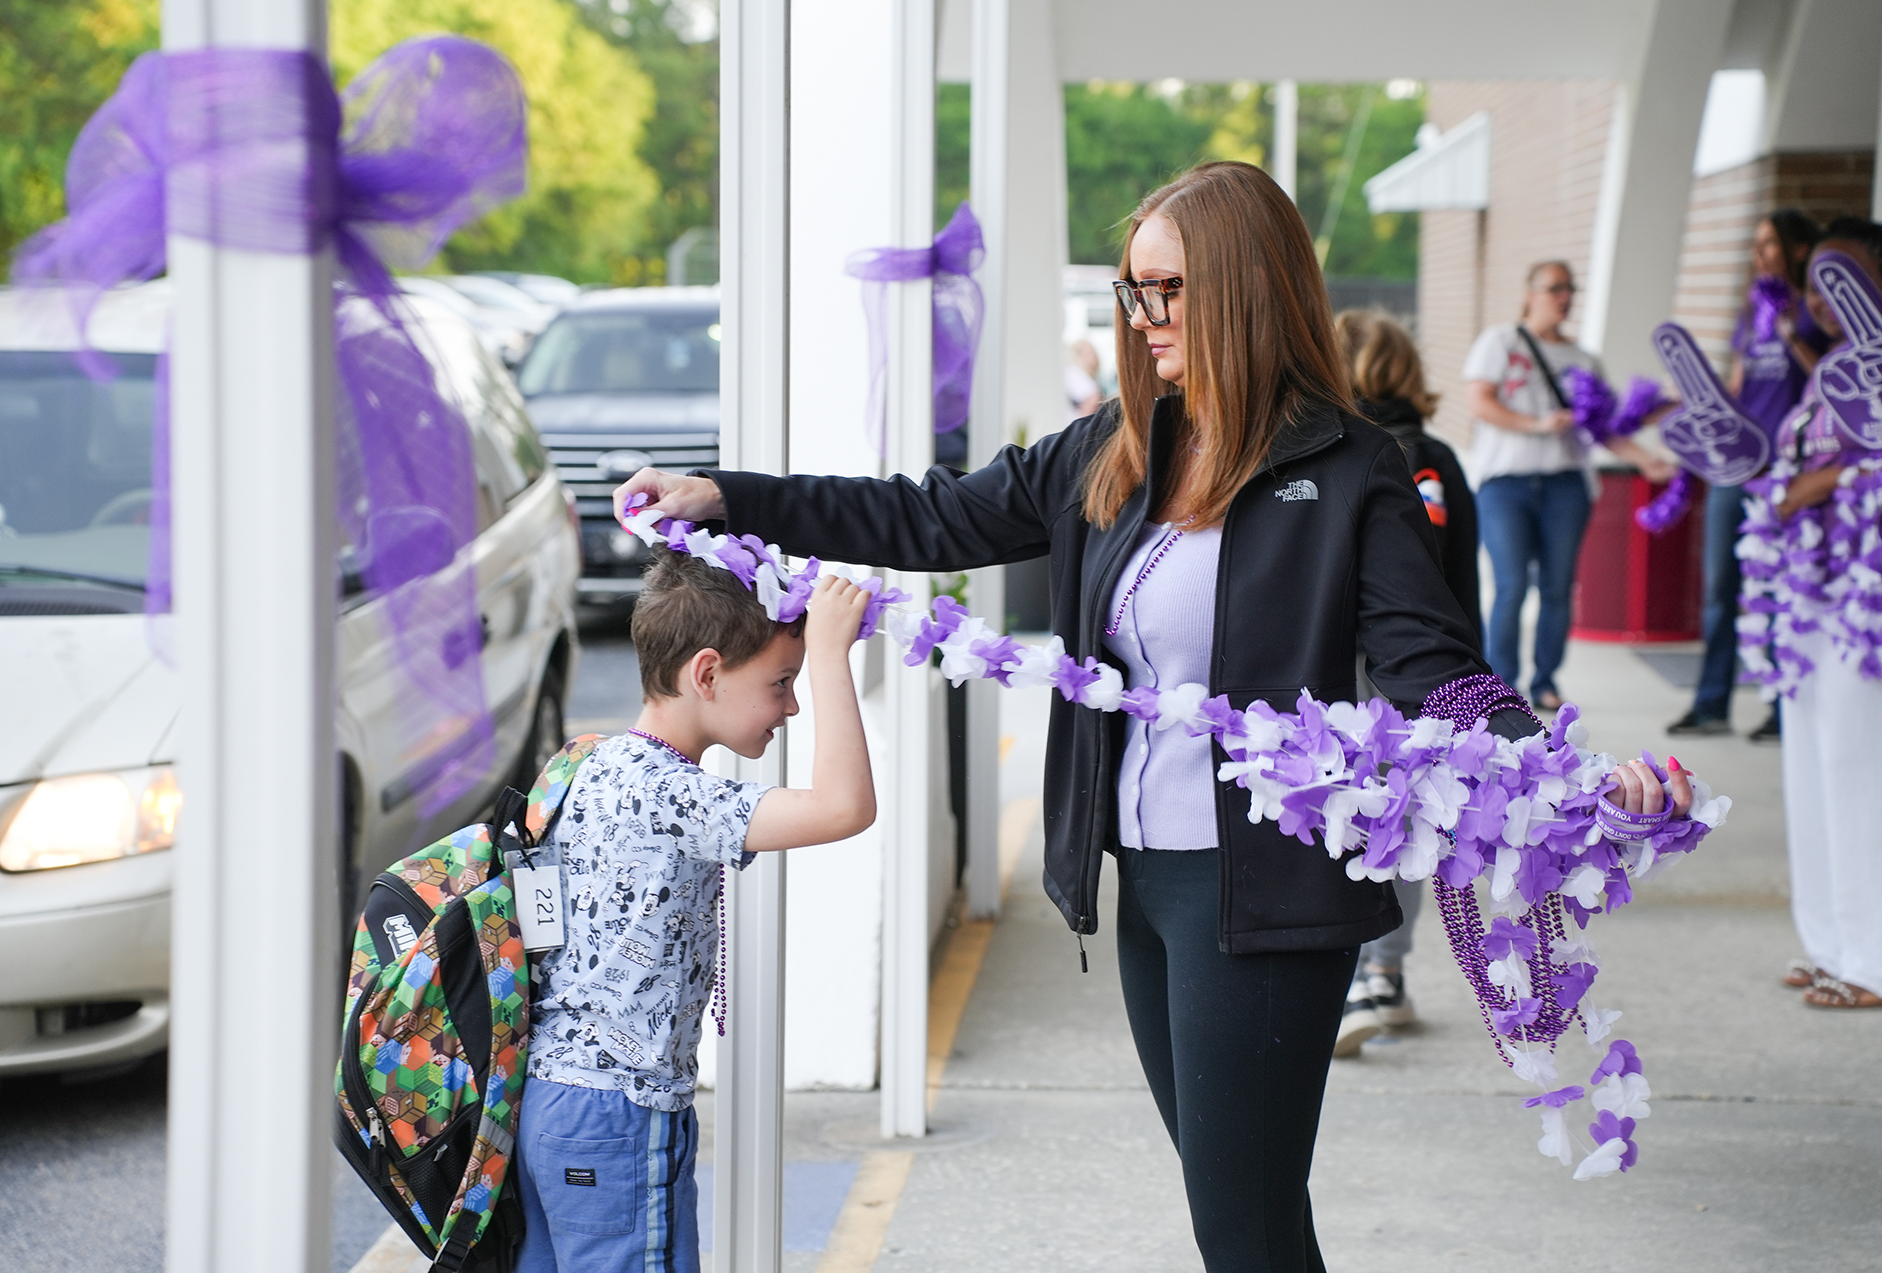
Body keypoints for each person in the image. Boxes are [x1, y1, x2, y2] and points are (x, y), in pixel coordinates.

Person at [619, 162, 1689, 1271]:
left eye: (1168, 289)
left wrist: (1563, 773)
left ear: (1245, 286)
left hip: (1270, 904)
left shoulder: (1355, 467)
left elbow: (1433, 665)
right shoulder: (1113, 449)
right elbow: (925, 516)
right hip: (1149, 892)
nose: (1145, 316)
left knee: (1245, 1223)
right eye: (1135, 290)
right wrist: (730, 495)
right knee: (1248, 1215)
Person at [513, 555, 876, 1273]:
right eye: (781, 683)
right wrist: (831, 654)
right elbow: (844, 807)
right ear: (705, 673)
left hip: (555, 1103)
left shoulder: (592, 760)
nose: (792, 705)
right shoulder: (668, 793)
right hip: (619, 1114)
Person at [1330, 310, 1480, 1055]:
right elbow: (1461, 581)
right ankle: (1384, 972)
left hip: (1340, 666)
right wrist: (1471, 688)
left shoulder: (1328, 454)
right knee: (1408, 818)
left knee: (1342, 814)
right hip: (1422, 670)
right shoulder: (1437, 458)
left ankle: (1350, 972)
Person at [1742, 219, 1882, 1010]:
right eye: (1820, 280)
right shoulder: (1829, 366)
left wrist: (1808, 489)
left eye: (1847, 278)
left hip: (1864, 595)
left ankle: (1869, 957)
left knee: (1857, 765)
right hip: (1808, 588)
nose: (1827, 296)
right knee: (1813, 763)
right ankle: (1827, 939)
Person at [1464, 261, 1677, 710]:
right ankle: (1500, 684)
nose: (1564, 297)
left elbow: (1604, 427)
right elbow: (1479, 402)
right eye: (1554, 288)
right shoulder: (1501, 342)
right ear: (1530, 294)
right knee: (1510, 585)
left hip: (1566, 485)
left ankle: (1545, 681)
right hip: (1505, 483)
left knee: (1558, 587)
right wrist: (1537, 424)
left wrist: (1646, 460)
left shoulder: (1583, 358)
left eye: (1570, 289)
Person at [1668, 209, 1825, 743]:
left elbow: (1829, 381)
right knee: (1720, 590)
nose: (1759, 255)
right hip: (1738, 468)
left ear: (1798, 250)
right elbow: (1737, 390)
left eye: (1769, 244)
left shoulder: (1813, 312)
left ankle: (1783, 710)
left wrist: (1792, 335)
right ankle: (1710, 704)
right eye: (1756, 245)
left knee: (1781, 589)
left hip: (1789, 470)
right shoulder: (1751, 311)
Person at [1066, 338, 1105, 417]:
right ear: (1078, 355)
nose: (1094, 357)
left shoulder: (1087, 376)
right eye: (1089, 354)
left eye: (1094, 353)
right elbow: (1093, 397)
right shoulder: (1076, 374)